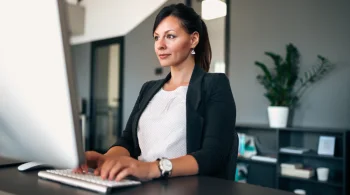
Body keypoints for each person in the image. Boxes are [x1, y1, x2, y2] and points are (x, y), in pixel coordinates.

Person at [75, 3, 236, 181]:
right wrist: (106, 158)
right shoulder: (149, 89)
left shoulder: (214, 85)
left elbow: (213, 156)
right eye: (156, 37)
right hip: (139, 184)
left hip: (181, 187)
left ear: (193, 39)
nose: (160, 45)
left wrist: (152, 168)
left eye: (170, 36)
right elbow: (127, 141)